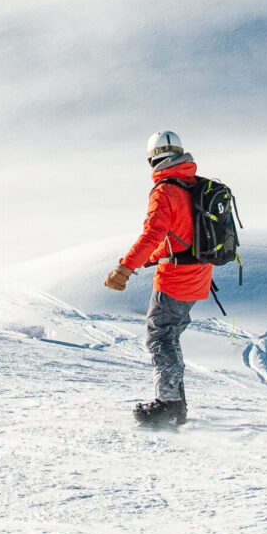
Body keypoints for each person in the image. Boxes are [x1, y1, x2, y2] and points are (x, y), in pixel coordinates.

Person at [103, 129, 214, 426]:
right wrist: (151, 259)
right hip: (199, 273)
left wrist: (124, 268)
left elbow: (154, 233)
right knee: (170, 336)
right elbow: (181, 235)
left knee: (160, 337)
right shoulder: (192, 185)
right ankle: (176, 403)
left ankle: (169, 403)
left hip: (177, 277)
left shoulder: (166, 190)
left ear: (152, 159)